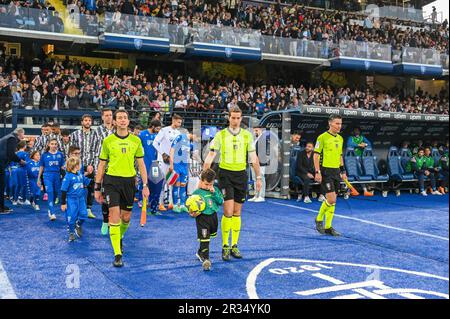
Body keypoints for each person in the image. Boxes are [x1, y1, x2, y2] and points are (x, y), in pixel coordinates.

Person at [203, 106, 262, 261]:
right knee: (228, 212)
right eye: (233, 117)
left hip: (241, 175)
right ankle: (225, 246)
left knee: (237, 212)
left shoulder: (247, 136)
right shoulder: (221, 135)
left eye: (238, 118)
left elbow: (253, 158)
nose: (235, 120)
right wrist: (204, 179)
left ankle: (234, 245)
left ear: (241, 118)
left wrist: (258, 177)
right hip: (225, 175)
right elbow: (210, 156)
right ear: (228, 118)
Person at [94, 109, 149, 268]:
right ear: (115, 122)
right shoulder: (108, 141)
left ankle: (118, 237)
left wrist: (145, 185)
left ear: (128, 121)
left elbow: (141, 164)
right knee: (114, 216)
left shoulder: (136, 141)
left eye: (125, 117)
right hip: (111, 182)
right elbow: (102, 164)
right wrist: (97, 187)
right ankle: (117, 254)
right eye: (120, 118)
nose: (123, 120)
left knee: (126, 218)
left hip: (129, 183)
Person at [313, 115, 347, 237]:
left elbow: (340, 156)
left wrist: (343, 171)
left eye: (340, 123)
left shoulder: (341, 138)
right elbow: (316, 155)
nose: (339, 126)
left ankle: (328, 227)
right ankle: (318, 219)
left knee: (333, 201)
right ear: (330, 123)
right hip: (325, 171)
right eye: (337, 123)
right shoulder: (322, 137)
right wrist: (317, 172)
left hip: (336, 171)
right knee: (331, 199)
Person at [190, 168, 224, 271]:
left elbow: (220, 202)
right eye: (206, 184)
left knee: (209, 236)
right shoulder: (196, 193)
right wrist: (192, 213)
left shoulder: (215, 190)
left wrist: (214, 193)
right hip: (202, 218)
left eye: (210, 184)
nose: (208, 187)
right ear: (201, 181)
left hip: (213, 217)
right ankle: (206, 259)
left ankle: (200, 252)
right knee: (205, 238)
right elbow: (191, 207)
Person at [70, 114, 100, 219]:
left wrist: (93, 165)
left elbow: (97, 151)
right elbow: (71, 151)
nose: (87, 122)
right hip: (78, 165)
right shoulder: (74, 134)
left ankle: (88, 209)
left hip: (90, 164)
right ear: (82, 122)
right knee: (78, 187)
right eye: (85, 120)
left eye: (89, 120)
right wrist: (74, 165)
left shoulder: (96, 134)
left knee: (91, 187)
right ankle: (77, 208)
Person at [153, 114, 182, 212]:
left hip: (172, 160)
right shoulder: (164, 130)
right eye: (178, 122)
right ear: (173, 120)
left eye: (180, 122)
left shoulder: (178, 133)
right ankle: (160, 203)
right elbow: (155, 143)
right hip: (163, 160)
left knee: (171, 181)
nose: (179, 124)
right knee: (162, 182)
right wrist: (162, 153)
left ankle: (170, 203)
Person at [61, 157, 91, 242]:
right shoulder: (68, 177)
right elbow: (63, 190)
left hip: (81, 199)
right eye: (79, 164)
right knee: (72, 217)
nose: (80, 166)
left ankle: (78, 225)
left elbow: (88, 182)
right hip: (71, 200)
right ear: (75, 165)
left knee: (84, 215)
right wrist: (63, 203)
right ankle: (71, 232)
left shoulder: (80, 175)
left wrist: (98, 180)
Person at [37, 138, 65, 221]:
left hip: (57, 176)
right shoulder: (44, 155)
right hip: (47, 176)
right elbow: (41, 167)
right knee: (50, 192)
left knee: (56, 194)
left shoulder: (60, 154)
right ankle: (52, 213)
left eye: (55, 144)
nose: (54, 145)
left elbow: (62, 166)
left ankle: (50, 207)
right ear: (49, 144)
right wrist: (38, 178)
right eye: (52, 143)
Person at [139, 119, 163, 216]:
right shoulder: (142, 134)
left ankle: (152, 204)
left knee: (155, 183)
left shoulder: (158, 135)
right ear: (152, 126)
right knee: (144, 181)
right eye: (157, 128)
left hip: (155, 163)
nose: (158, 130)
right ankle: (142, 200)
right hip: (145, 162)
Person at [0, 128, 26, 214]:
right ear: (19, 133)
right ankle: (1, 208)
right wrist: (20, 161)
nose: (24, 136)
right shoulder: (12, 139)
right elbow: (11, 154)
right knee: (1, 186)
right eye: (23, 134)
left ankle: (2, 206)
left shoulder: (9, 137)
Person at [169, 131, 193, 213]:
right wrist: (171, 164)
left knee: (183, 185)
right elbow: (172, 149)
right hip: (176, 164)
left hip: (185, 166)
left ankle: (182, 205)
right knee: (176, 184)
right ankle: (175, 205)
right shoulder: (180, 137)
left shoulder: (191, 143)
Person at [346, 127, 373, 196]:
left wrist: (365, 144)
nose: (356, 132)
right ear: (353, 132)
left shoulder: (362, 137)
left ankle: (365, 190)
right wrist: (358, 145)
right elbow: (349, 144)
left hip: (360, 158)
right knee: (352, 173)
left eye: (357, 130)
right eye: (355, 130)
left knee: (360, 174)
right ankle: (349, 191)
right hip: (351, 159)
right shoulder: (351, 138)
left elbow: (369, 144)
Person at [248, 126, 267, 202]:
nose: (255, 132)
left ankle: (262, 196)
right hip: (253, 161)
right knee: (255, 179)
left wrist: (257, 162)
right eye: (254, 131)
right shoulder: (256, 139)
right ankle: (256, 195)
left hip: (260, 162)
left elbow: (263, 152)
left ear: (261, 130)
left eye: (256, 130)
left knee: (261, 178)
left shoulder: (263, 139)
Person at [10, 141, 29, 206]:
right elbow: (27, 163)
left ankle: (15, 200)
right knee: (24, 185)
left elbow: (12, 163)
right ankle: (24, 200)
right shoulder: (25, 153)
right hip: (22, 170)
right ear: (24, 146)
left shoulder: (15, 153)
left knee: (17, 185)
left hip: (15, 170)